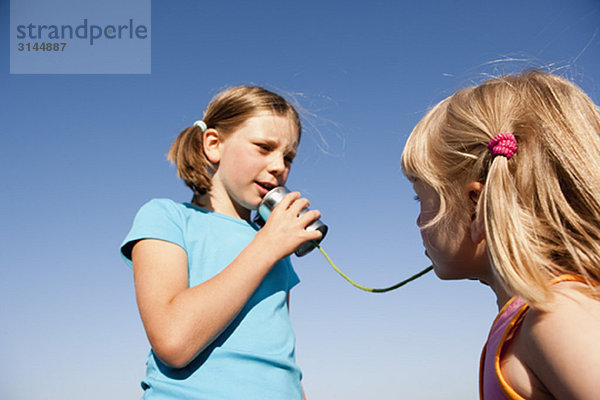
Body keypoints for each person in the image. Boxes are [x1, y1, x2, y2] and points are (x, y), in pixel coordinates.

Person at [401, 70, 600, 399]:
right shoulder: (538, 319)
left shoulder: (556, 319)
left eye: (420, 199)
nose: (418, 221)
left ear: (476, 205)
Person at [120, 86, 322, 399]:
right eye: (263, 147)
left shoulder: (272, 245)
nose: (279, 166)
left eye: (288, 156)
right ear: (214, 145)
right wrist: (266, 248)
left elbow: (280, 355)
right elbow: (173, 341)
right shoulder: (166, 217)